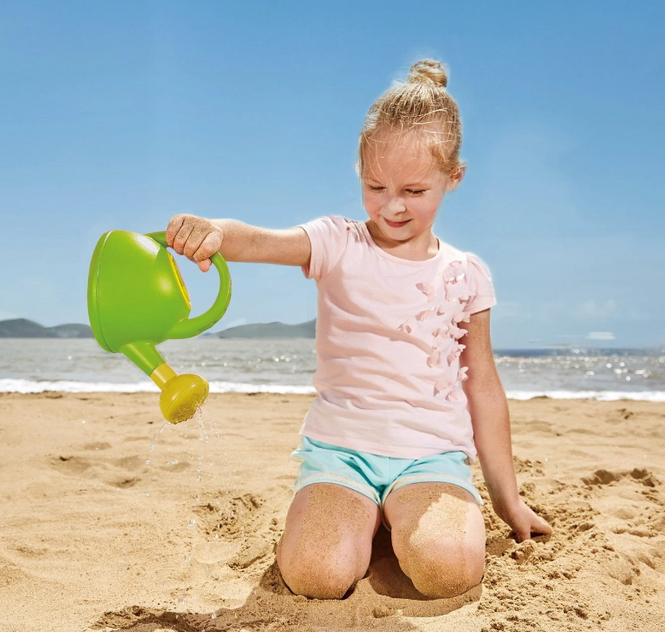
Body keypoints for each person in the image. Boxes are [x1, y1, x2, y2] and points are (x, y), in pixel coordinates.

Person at [165, 58, 552, 600]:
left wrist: (507, 499)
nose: (392, 206)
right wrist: (211, 231)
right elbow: (256, 240)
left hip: (430, 454)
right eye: (376, 186)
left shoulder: (466, 274)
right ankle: (355, 515)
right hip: (340, 450)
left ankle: (401, 516)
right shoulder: (337, 242)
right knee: (315, 576)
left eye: (415, 191)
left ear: (453, 178)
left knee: (450, 572)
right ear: (359, 173)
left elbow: (482, 385)